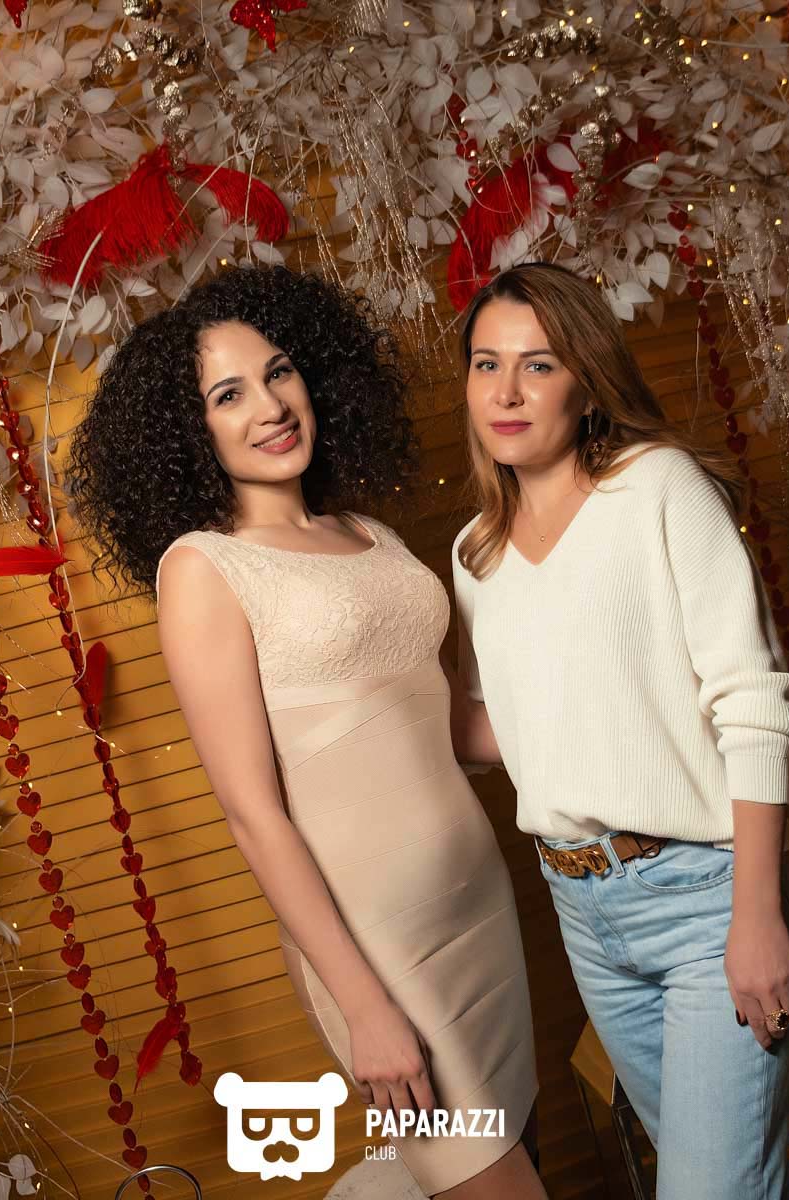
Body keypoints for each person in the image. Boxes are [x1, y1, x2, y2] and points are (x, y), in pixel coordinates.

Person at [67, 264, 547, 1200]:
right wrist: (363, 1007)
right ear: (190, 431)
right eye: (229, 395)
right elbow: (254, 814)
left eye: (279, 372)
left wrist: (609, 725)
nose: (271, 407)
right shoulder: (204, 568)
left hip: (482, 910)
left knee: (531, 1161)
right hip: (380, 955)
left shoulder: (372, 534)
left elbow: (453, 726)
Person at [446, 262, 789, 1198]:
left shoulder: (658, 488)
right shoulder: (475, 553)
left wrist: (756, 916)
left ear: (588, 380)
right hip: (583, 912)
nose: (507, 392)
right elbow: (502, 731)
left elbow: (753, 703)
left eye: (539, 364)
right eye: (487, 364)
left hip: (705, 893)